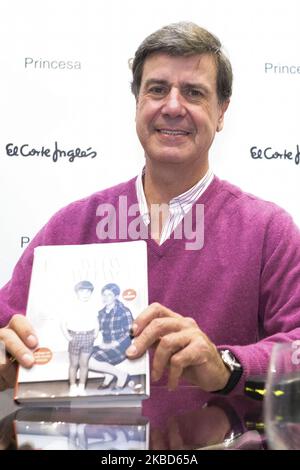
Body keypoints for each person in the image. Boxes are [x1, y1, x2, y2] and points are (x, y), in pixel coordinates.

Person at [1, 21, 300, 397]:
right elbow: (5, 323)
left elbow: (297, 345)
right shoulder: (71, 226)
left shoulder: (269, 231)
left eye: (193, 93)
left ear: (222, 111)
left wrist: (226, 365)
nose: (173, 106)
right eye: (157, 89)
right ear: (138, 102)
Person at [88, 283, 134, 388]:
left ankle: (122, 375)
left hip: (122, 347)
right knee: (81, 356)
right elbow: (95, 329)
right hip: (106, 346)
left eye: (109, 294)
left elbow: (131, 332)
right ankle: (109, 375)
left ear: (116, 296)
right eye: (104, 294)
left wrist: (114, 343)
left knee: (89, 361)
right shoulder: (101, 313)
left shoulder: (123, 311)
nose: (106, 297)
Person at [61, 280, 99, 396]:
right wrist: (69, 337)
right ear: (77, 292)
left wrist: (95, 333)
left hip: (88, 336)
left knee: (84, 364)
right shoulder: (71, 306)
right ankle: (73, 386)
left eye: (88, 291)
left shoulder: (93, 306)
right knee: (74, 364)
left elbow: (96, 321)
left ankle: (82, 387)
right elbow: (63, 323)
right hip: (75, 336)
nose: (85, 294)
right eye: (82, 291)